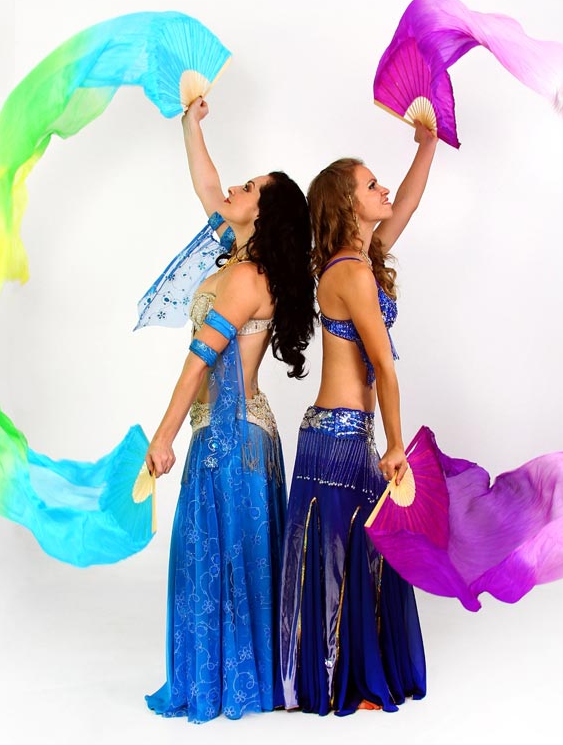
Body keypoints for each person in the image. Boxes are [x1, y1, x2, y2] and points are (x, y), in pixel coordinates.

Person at [145, 98, 315, 723]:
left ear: (263, 217)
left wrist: (162, 437)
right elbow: (209, 188)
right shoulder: (238, 256)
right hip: (231, 431)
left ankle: (235, 684)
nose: (235, 190)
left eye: (250, 189)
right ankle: (233, 678)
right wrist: (191, 123)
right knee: (218, 554)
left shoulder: (247, 279)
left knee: (225, 556)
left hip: (231, 434)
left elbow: (198, 364)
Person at [277, 123, 437, 715]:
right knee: (343, 556)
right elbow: (384, 367)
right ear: (348, 204)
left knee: (365, 553)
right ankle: (338, 680)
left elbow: (408, 202)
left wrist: (427, 144)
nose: (383, 189)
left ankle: (353, 674)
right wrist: (396, 445)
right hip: (338, 437)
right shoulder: (351, 272)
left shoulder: (359, 259)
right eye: (371, 185)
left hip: (346, 433)